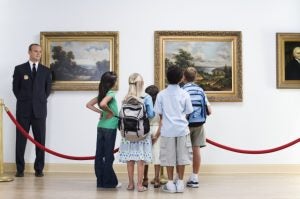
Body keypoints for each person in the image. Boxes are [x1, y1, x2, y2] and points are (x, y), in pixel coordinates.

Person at [12, 43, 52, 177]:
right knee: (20, 140)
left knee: (40, 141)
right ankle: (19, 169)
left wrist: (37, 101)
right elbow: (15, 89)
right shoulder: (19, 69)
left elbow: (47, 91)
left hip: (39, 111)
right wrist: (25, 101)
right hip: (23, 111)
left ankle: (39, 169)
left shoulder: (46, 71)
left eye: (40, 52)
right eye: (35, 51)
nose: (38, 54)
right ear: (29, 52)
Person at [154, 66, 193, 193]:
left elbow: (159, 114)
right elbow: (188, 112)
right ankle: (180, 183)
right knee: (182, 156)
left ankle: (170, 184)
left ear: (167, 77)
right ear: (181, 78)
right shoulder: (185, 93)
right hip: (182, 129)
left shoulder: (161, 94)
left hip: (167, 130)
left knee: (169, 156)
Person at [119, 73, 155, 192]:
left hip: (127, 134)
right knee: (140, 160)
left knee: (130, 160)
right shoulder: (147, 97)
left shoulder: (125, 98)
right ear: (141, 83)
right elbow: (151, 115)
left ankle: (130, 184)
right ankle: (140, 185)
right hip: (141, 134)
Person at [86, 71, 121, 188]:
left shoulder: (102, 93)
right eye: (115, 80)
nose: (116, 82)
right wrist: (110, 112)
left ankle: (100, 181)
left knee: (99, 154)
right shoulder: (111, 93)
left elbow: (88, 104)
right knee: (108, 155)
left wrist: (101, 112)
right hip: (110, 127)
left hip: (101, 126)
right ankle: (109, 182)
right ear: (111, 83)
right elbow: (103, 103)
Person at [181, 67, 212, 188]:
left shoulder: (183, 90)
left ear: (184, 77)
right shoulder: (200, 90)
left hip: (184, 124)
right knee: (196, 150)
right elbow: (209, 110)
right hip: (199, 124)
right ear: (195, 77)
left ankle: (179, 179)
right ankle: (194, 178)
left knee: (182, 151)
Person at [142, 85, 162, 188]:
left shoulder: (145, 104)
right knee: (157, 155)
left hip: (146, 129)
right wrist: (157, 135)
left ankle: (145, 179)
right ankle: (157, 179)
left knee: (145, 155)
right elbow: (162, 122)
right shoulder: (160, 105)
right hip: (158, 129)